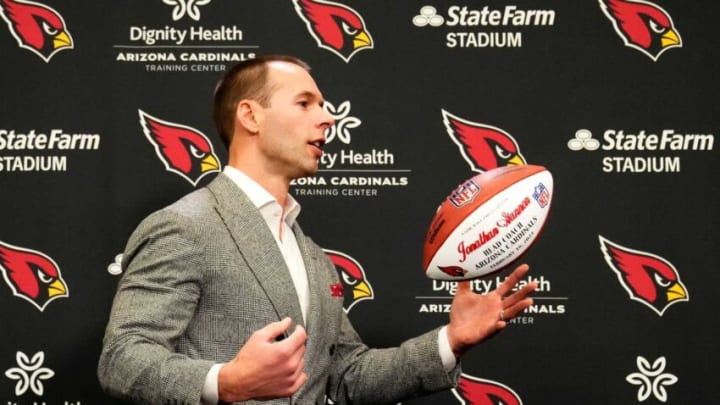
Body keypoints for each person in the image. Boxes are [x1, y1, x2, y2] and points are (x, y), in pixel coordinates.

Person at [97, 55, 538, 405]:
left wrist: (451, 341)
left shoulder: (315, 259)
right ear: (250, 116)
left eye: (324, 106)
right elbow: (122, 359)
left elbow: (349, 377)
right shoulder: (184, 225)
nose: (327, 118)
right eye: (305, 103)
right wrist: (225, 382)